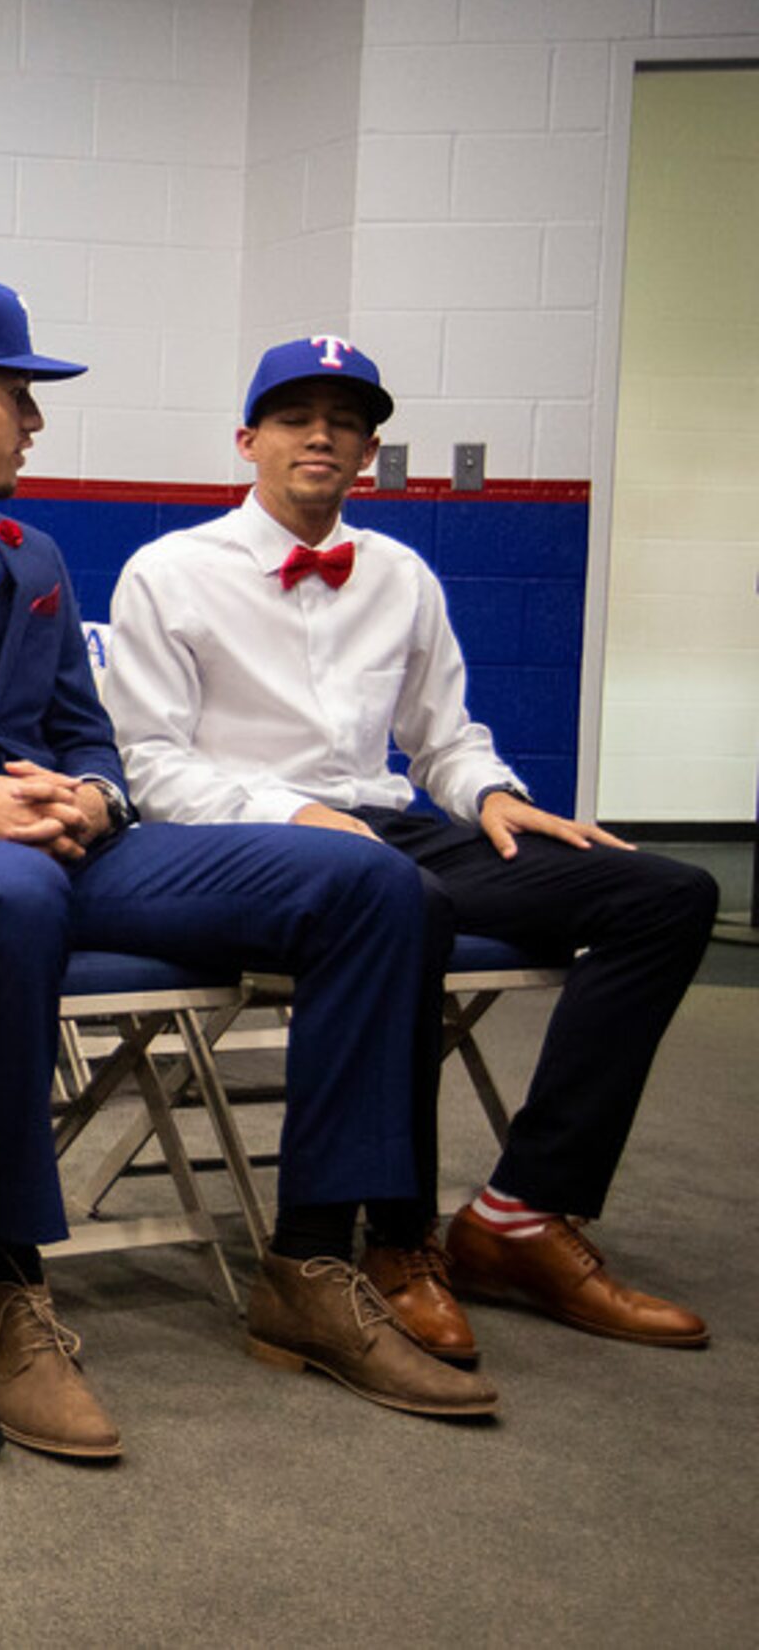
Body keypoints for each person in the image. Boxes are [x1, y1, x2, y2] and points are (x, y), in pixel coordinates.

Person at [0, 277, 495, 1427]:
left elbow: (88, 735)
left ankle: (307, 1262)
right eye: (19, 396)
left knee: (373, 883)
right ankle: (7, 1287)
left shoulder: (34, 555)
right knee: (5, 897)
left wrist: (94, 799)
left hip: (83, 851)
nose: (36, 424)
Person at [108, 335, 716, 1351]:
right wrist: (287, 815)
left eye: (343, 422)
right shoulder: (167, 572)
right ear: (246, 441)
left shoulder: (399, 573)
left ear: (366, 451)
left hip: (393, 829)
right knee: (396, 900)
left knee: (665, 893)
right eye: (296, 418)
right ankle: (394, 1236)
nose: (320, 436)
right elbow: (150, 770)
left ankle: (519, 1213)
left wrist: (490, 794)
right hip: (252, 842)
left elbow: (441, 735)